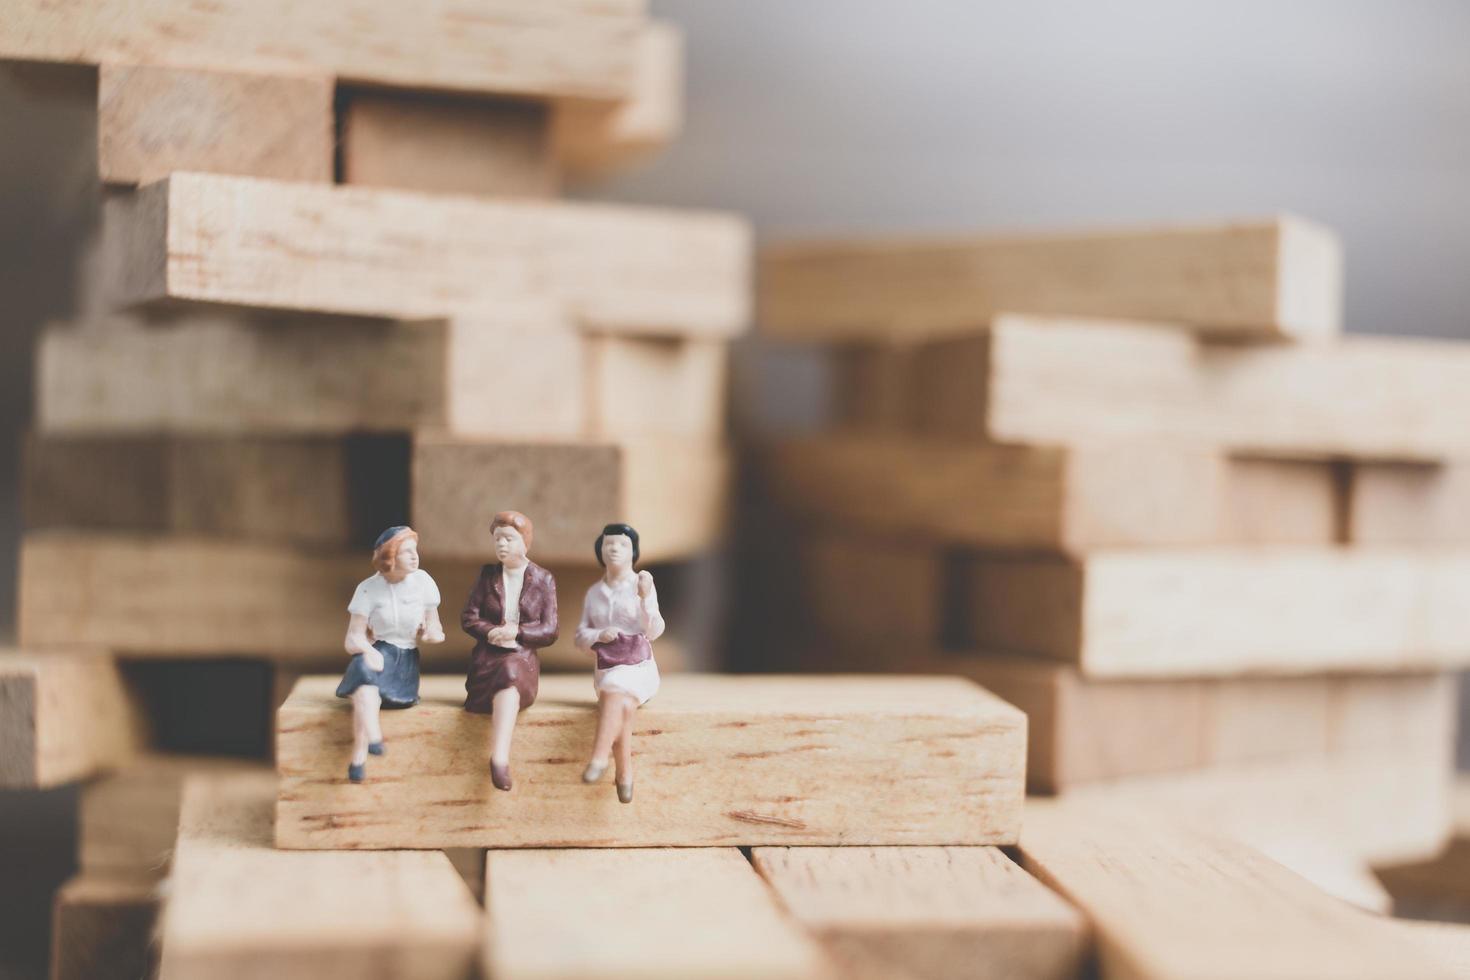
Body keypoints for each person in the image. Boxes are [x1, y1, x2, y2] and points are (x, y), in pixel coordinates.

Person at [337, 525, 444, 783]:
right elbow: (353, 638)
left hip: (404, 659)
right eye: (407, 552)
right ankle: (370, 744)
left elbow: (435, 625)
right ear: (389, 557)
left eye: (414, 550)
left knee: (366, 680)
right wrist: (367, 650)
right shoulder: (367, 588)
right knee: (364, 670)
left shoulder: (423, 582)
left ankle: (360, 755)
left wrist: (433, 634)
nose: (414, 556)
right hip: (379, 650)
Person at [461, 510, 558, 791]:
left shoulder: (543, 579)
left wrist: (518, 632)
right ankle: (499, 756)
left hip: (521, 656)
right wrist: (491, 632)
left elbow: (551, 629)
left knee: (511, 673)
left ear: (525, 542)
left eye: (509, 539)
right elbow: (469, 617)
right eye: (497, 539)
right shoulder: (486, 575)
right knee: (503, 669)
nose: (501, 545)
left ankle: (500, 758)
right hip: (488, 655)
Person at [576, 523, 663, 804]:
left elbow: (654, 631)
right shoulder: (593, 593)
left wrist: (646, 598)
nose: (614, 548)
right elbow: (579, 637)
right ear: (600, 550)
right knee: (622, 704)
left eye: (622, 544)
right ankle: (624, 774)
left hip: (638, 667)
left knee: (616, 691)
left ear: (633, 552)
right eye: (608, 543)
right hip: (607, 665)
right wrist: (598, 634)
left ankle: (600, 757)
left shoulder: (642, 585)